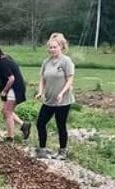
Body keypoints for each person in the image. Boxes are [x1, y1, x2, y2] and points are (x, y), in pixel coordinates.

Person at [35, 32, 75, 160]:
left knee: (60, 125)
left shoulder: (66, 61)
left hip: (62, 100)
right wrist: (41, 91)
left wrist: (62, 92)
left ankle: (62, 151)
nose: (52, 49)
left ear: (61, 47)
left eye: (55, 47)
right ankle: (42, 149)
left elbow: (70, 79)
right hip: (49, 99)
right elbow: (42, 78)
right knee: (40, 123)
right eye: (50, 47)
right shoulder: (46, 62)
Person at [0, 46, 30, 142]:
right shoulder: (6, 61)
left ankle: (10, 137)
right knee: (5, 111)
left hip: (14, 90)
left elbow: (11, 79)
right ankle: (24, 125)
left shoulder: (3, 63)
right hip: (15, 89)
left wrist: (4, 91)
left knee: (7, 112)